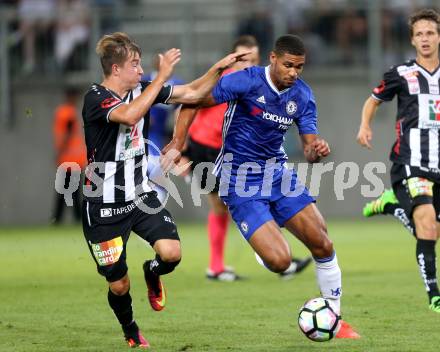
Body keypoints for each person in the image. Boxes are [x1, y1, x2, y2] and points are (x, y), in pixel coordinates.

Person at [163, 34, 359, 338]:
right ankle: (262, 245)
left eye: (300, 67)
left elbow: (309, 149)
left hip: (277, 174)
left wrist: (315, 150)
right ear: (273, 59)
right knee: (280, 262)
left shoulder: (303, 96)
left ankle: (335, 316)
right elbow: (193, 99)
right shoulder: (246, 81)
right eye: (288, 65)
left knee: (323, 243)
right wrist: (177, 142)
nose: (294, 72)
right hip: (238, 178)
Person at [81, 32, 248, 348]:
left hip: (140, 196)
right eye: (135, 65)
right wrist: (163, 78)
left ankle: (153, 272)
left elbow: (194, 92)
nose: (142, 71)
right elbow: (130, 115)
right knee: (118, 285)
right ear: (116, 69)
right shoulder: (95, 98)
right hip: (103, 206)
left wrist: (219, 68)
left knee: (172, 253)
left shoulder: (143, 90)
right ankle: (131, 330)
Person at [181, 35, 312, 281]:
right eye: (242, 59)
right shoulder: (225, 82)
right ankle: (255, 257)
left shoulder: (255, 83)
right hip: (207, 150)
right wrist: (182, 149)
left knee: (240, 204)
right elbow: (190, 103)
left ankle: (240, 260)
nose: (247, 64)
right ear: (231, 61)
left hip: (237, 156)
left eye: (252, 59)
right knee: (231, 205)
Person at [357, 9, 440, 314]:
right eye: (419, 34)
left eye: (430, 32)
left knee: (431, 228)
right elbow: (373, 100)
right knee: (427, 223)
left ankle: (391, 205)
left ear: (439, 36)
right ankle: (434, 295)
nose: (425, 38)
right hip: (410, 161)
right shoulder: (401, 73)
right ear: (412, 40)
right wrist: (365, 126)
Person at [52, 86, 87, 224]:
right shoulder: (68, 113)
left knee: (66, 189)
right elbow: (67, 134)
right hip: (71, 158)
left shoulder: (63, 112)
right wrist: (60, 152)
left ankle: (58, 218)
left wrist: (59, 153)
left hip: (69, 158)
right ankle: (72, 217)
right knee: (70, 190)